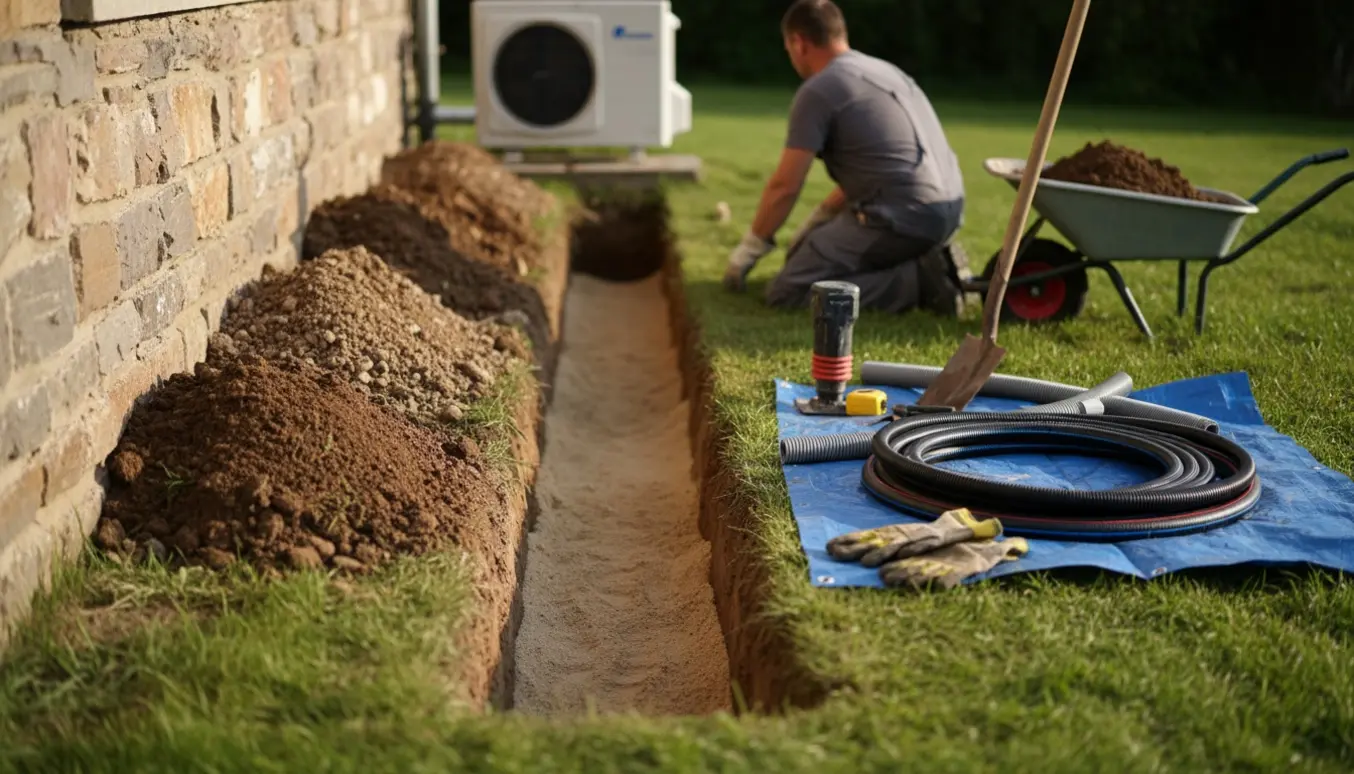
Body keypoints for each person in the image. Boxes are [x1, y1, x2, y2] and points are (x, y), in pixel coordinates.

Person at [722, 0, 968, 316]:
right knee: (802, 251)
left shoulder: (819, 90)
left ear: (798, 43)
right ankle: (924, 262)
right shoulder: (888, 71)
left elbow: (785, 185)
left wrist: (749, 251)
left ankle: (918, 282)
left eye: (788, 49)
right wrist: (821, 216)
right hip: (948, 210)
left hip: (903, 219)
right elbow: (882, 166)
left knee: (789, 291)